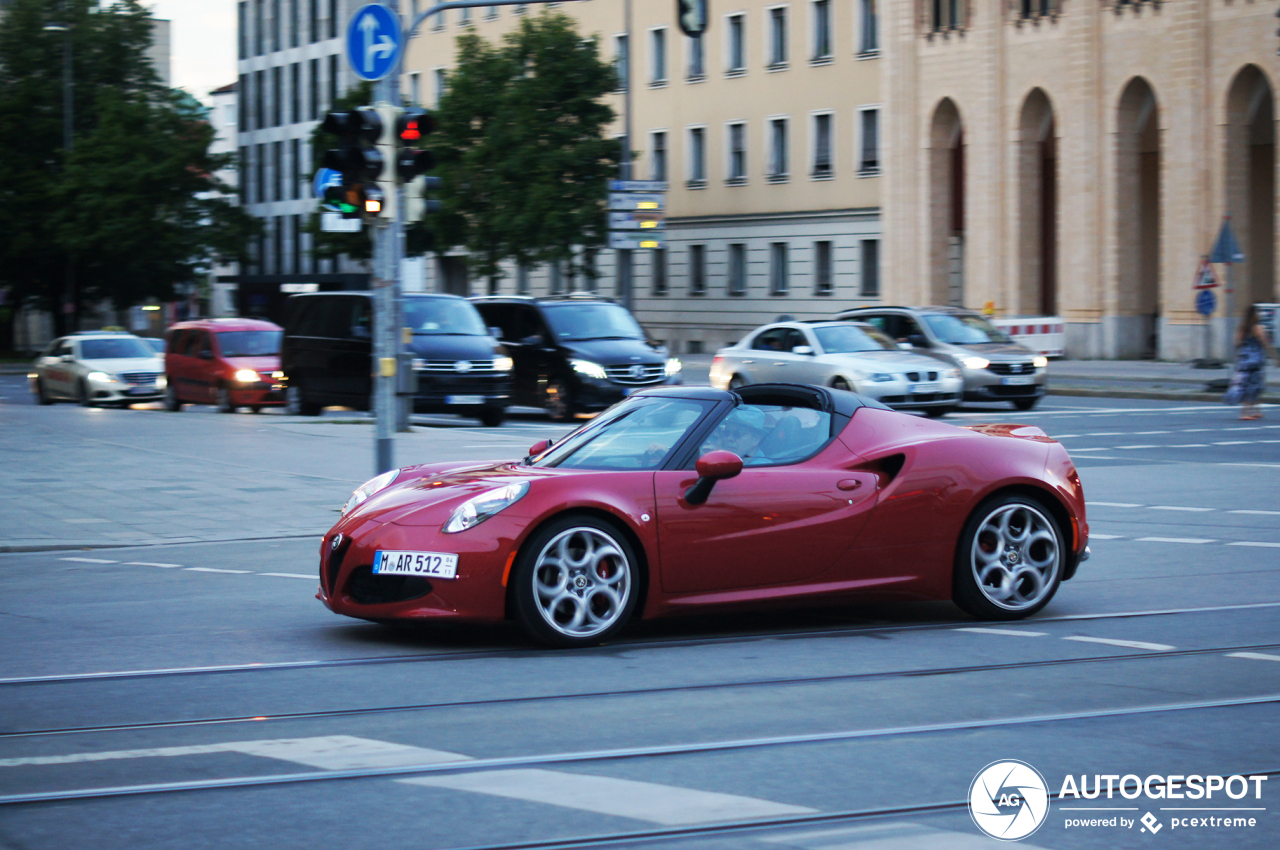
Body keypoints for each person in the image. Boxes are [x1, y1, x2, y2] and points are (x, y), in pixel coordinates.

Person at [1226, 305, 1277, 420]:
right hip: (1255, 359)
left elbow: (1236, 343)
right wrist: (1275, 357)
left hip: (1244, 359)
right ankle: (1245, 413)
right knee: (1254, 385)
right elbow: (1266, 343)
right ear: (1255, 314)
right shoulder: (1257, 327)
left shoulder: (1242, 328)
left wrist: (1239, 355)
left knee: (1246, 384)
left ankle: (1254, 410)